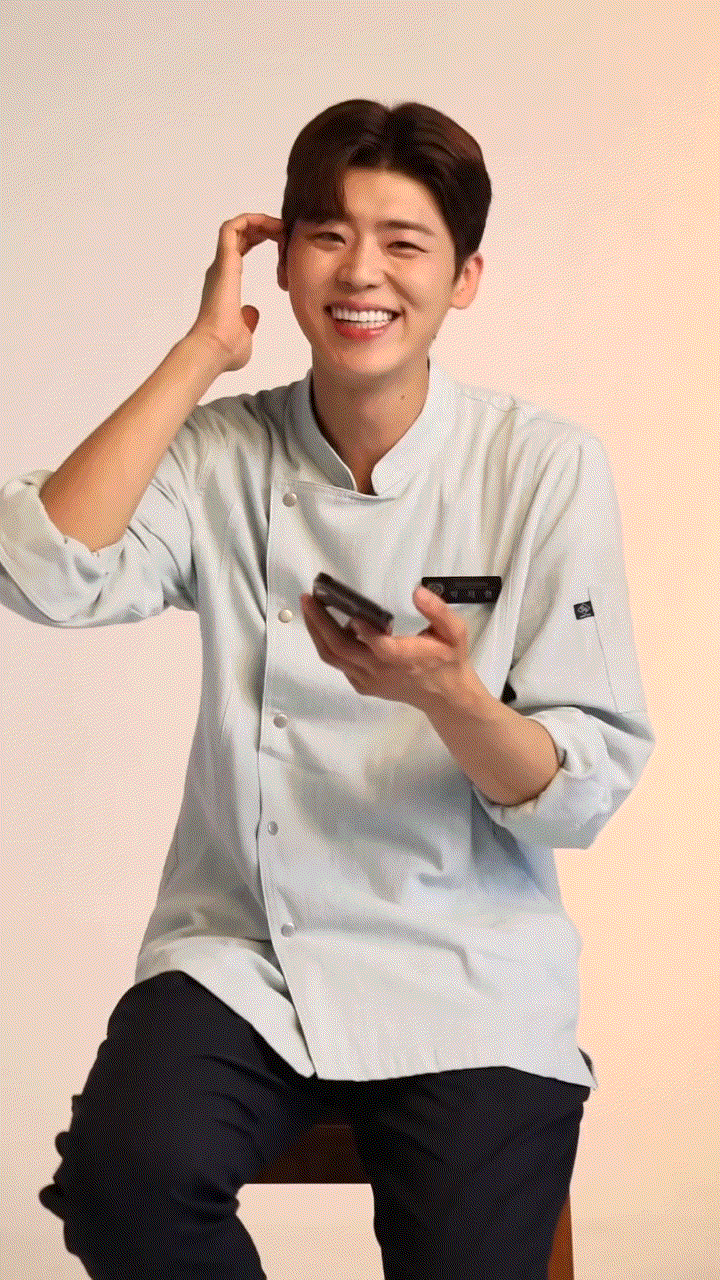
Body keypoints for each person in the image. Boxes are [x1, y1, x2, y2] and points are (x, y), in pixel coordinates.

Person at [0, 99, 655, 1279]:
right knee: (121, 1184)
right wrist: (203, 350)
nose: (361, 273)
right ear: (283, 257)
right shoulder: (220, 450)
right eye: (328, 235)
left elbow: (584, 787)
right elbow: (38, 570)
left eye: (404, 242)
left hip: (467, 966)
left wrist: (452, 697)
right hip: (246, 948)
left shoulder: (542, 466)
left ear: (465, 278)